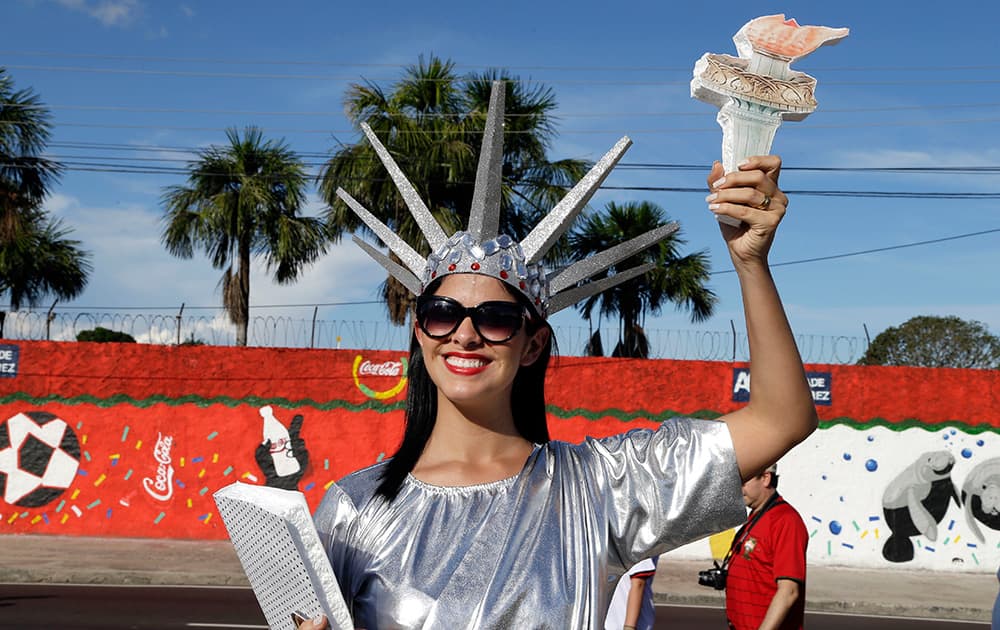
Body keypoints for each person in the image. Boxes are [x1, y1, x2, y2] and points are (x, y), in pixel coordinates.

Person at [299, 82, 818, 629]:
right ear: (421, 332)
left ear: (533, 345)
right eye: (443, 313)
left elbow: (782, 420)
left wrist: (750, 264)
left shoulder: (600, 488)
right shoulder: (352, 510)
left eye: (496, 319)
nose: (466, 335)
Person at [724, 463, 809, 630]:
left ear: (765, 478)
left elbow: (789, 591)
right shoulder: (755, 517)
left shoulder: (786, 521)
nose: (737, 489)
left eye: (743, 482)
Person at [604, 556, 659, 630]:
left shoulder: (635, 546)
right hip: (611, 619)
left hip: (623, 621)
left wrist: (629, 627)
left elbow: (638, 583)